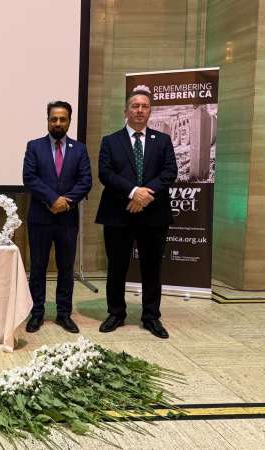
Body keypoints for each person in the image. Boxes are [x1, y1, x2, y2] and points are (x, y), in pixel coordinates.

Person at [95, 89, 177, 339]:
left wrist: (144, 195)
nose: (140, 110)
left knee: (152, 268)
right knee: (117, 267)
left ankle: (151, 316)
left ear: (150, 111)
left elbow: (170, 171)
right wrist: (132, 192)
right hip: (118, 214)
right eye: (135, 106)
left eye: (145, 106)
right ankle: (116, 313)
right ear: (126, 111)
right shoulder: (110, 141)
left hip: (154, 215)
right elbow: (105, 174)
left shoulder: (162, 140)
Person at [22, 101, 92, 334]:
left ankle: (64, 314)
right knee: (38, 267)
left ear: (69, 121)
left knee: (65, 268)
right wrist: (53, 199)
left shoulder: (79, 149)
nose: (58, 123)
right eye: (54, 119)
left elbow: (85, 181)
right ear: (48, 120)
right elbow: (30, 178)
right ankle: (37, 313)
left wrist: (66, 202)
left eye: (63, 119)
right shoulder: (34, 147)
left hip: (67, 220)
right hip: (40, 218)